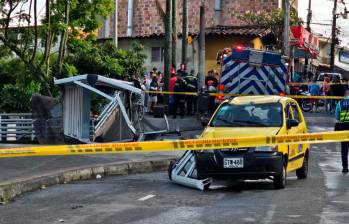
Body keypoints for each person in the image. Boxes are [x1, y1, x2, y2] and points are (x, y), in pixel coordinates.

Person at [335, 89, 349, 173]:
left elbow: (337, 116)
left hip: (343, 127)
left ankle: (345, 167)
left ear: (344, 95)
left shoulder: (340, 103)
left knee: (344, 149)